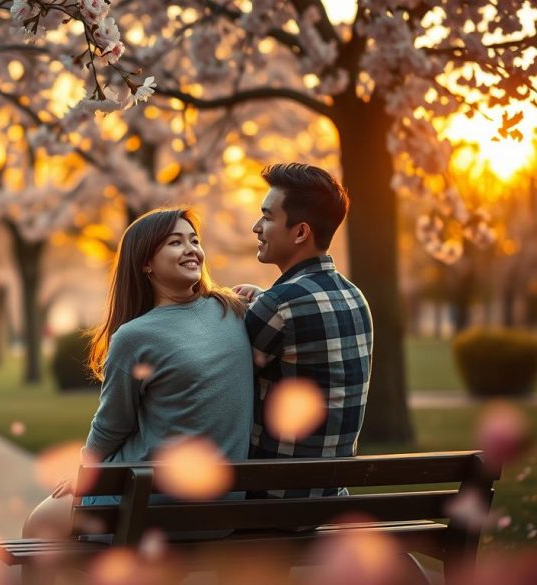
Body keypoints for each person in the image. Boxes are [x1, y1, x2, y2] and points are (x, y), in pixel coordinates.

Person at [22, 207, 253, 538]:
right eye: (175, 242)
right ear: (146, 262)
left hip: (155, 500)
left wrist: (87, 474)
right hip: (220, 503)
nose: (191, 249)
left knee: (40, 524)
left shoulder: (136, 335)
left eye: (194, 240)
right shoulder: (234, 309)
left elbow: (112, 426)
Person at [233, 163, 374, 498]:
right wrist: (265, 298)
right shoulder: (355, 297)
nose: (257, 227)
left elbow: (222, 378)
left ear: (300, 233)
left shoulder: (280, 306)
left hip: (272, 502)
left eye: (267, 217)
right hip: (329, 497)